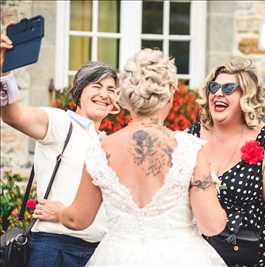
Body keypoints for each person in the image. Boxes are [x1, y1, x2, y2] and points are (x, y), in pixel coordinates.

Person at [33, 48, 228, 266]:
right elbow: (212, 225)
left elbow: (78, 220)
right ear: (170, 91)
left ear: (125, 95)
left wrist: (60, 212)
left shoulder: (100, 149)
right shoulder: (190, 149)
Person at [0, 34, 119, 267]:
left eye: (111, 89)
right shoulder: (60, 123)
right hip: (55, 247)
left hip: (99, 251)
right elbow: (14, 116)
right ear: (79, 91)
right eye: (97, 86)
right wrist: (4, 72)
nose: (104, 94)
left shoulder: (107, 142)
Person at [187, 57, 265, 267]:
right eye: (214, 87)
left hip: (258, 254)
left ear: (246, 96)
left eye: (229, 88)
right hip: (203, 254)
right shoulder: (190, 137)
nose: (219, 93)